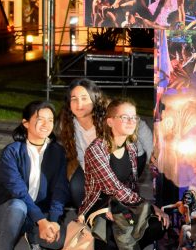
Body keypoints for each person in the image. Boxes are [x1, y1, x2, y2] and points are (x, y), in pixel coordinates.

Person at [78, 99, 170, 250]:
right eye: (124, 117)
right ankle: (98, 243)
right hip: (100, 211)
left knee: (160, 223)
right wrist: (150, 206)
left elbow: (131, 188)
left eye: (134, 117)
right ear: (110, 121)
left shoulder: (132, 148)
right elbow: (115, 188)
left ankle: (128, 246)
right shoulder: (96, 150)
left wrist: (148, 210)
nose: (131, 121)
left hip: (124, 208)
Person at [0, 101, 69, 250]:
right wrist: (42, 221)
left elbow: (60, 188)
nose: (46, 124)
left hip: (41, 214)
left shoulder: (57, 152)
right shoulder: (12, 152)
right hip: (8, 213)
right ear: (25, 123)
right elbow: (18, 191)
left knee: (60, 242)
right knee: (19, 205)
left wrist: (55, 220)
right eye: (40, 119)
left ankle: (32, 234)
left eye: (50, 120)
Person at [56, 78, 153, 209]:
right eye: (74, 98)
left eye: (84, 98)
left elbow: (140, 126)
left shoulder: (108, 111)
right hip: (91, 163)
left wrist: (152, 153)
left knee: (115, 190)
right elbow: (79, 155)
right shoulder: (67, 122)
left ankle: (122, 207)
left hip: (119, 158)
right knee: (77, 185)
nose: (79, 104)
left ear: (94, 98)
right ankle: (88, 219)